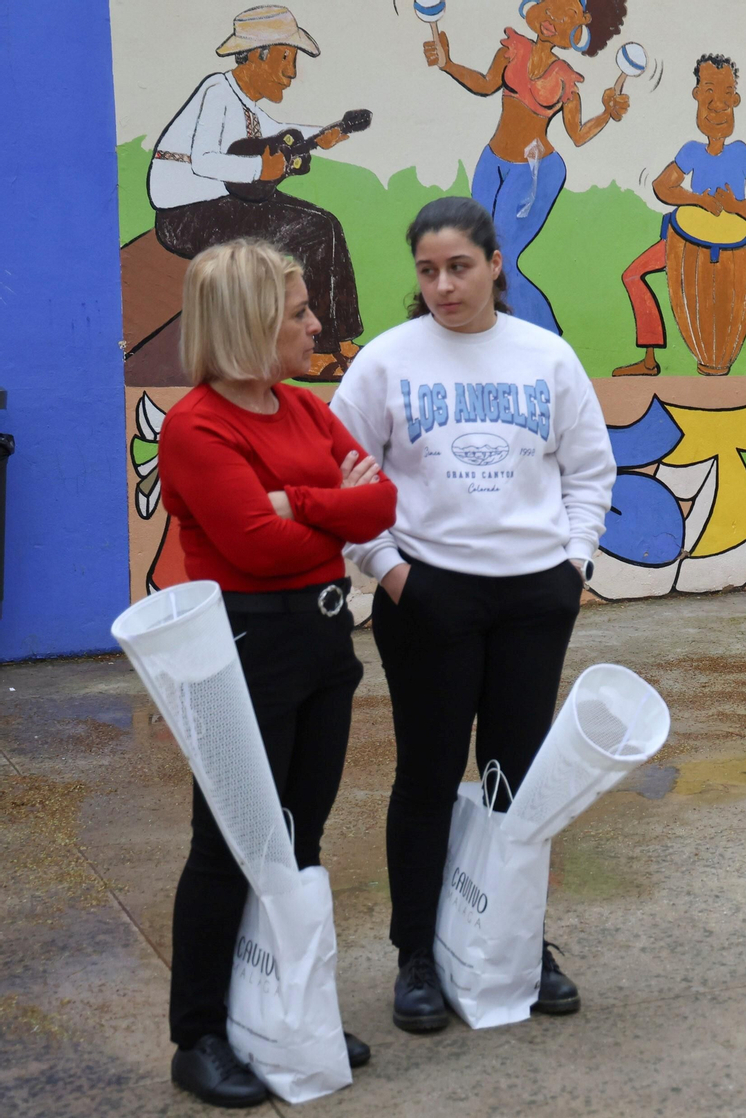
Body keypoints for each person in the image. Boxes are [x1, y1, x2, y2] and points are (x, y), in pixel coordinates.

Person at [331, 197, 616, 1032]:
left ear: (496, 262)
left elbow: (590, 470)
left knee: (515, 781)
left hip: (534, 596)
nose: (444, 286)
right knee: (426, 775)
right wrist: (390, 573)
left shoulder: (547, 357)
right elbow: (340, 483)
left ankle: (517, 944)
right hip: (428, 596)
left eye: (459, 267)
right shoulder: (386, 363)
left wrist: (574, 565)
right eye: (428, 271)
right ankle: (416, 954)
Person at [158, 240, 396, 1106]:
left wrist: (304, 505)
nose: (315, 323)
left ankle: (284, 1013)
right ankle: (201, 1035)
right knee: (228, 847)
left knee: (298, 843)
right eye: (298, 311)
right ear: (252, 322)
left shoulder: (301, 408)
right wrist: (333, 511)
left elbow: (384, 502)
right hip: (247, 653)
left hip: (325, 645)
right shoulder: (198, 427)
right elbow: (252, 547)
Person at [149, 6, 364, 379]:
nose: (291, 73)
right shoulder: (217, 90)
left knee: (328, 223)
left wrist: (321, 135)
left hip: (224, 202)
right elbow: (203, 160)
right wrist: (256, 169)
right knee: (309, 233)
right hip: (187, 214)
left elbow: (281, 127)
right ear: (255, 56)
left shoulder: (245, 102)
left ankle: (341, 340)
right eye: (286, 58)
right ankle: (314, 352)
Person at [424, 0, 630, 333]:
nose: (551, 22)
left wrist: (608, 112)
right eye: (548, 10)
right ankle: (495, 332)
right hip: (492, 163)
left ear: (578, 31)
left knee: (500, 259)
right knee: (477, 251)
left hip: (535, 172)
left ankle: (547, 336)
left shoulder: (564, 78)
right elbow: (485, 84)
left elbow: (577, 135)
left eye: (564, 18)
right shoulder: (512, 49)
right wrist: (447, 63)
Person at [614, 53, 746, 376]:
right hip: (683, 244)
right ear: (696, 96)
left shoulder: (742, 153)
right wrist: (696, 200)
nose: (717, 105)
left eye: (725, 95)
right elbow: (663, 187)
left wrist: (735, 207)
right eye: (708, 93)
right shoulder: (691, 151)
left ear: (735, 99)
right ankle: (649, 360)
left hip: (741, 249)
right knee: (632, 274)